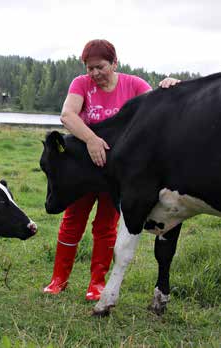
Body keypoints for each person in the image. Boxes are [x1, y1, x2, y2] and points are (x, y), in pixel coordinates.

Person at [43, 39, 180, 300]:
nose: (94, 73)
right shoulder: (80, 84)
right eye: (89, 68)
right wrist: (91, 140)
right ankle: (58, 279)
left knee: (106, 225)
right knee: (73, 220)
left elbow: (157, 109)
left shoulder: (134, 85)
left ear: (115, 63)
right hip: (85, 168)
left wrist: (168, 86)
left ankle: (96, 283)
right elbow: (67, 116)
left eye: (100, 67)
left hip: (117, 171)